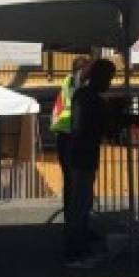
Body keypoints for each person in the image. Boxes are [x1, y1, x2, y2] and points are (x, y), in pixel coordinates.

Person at [63, 58, 116, 267]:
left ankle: (78, 249)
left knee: (79, 205)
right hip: (84, 155)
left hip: (76, 153)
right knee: (81, 206)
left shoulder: (80, 95)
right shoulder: (94, 100)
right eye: (109, 78)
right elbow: (104, 129)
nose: (110, 83)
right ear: (101, 77)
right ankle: (76, 253)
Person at [52, 56, 92, 219]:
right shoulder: (76, 83)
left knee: (70, 182)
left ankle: (72, 221)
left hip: (63, 135)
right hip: (72, 135)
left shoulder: (67, 81)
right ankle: (76, 224)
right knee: (77, 182)